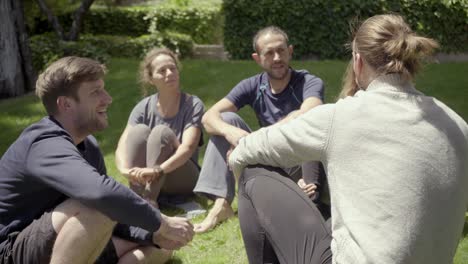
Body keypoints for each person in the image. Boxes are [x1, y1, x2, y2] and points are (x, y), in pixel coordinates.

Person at [229, 14, 468, 264]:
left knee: (251, 172)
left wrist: (237, 168)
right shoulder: (457, 124)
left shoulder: (341, 117)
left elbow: (248, 149)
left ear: (358, 61)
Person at [0, 56, 195, 264]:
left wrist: (154, 234)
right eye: (95, 92)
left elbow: (114, 214)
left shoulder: (88, 145)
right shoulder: (43, 143)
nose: (108, 99)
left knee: (161, 246)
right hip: (12, 250)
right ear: (66, 104)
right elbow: (102, 196)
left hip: (62, 240)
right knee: (98, 206)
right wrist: (162, 223)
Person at [193, 26, 327, 233]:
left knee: (308, 126)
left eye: (281, 50)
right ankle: (221, 205)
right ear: (257, 58)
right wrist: (230, 132)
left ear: (290, 51)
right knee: (226, 120)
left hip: (299, 159)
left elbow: (309, 111)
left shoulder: (308, 82)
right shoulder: (253, 85)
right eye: (269, 53)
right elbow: (209, 117)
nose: (276, 58)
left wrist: (252, 140)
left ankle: (307, 202)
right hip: (269, 158)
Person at [115, 48, 204, 209]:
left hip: (182, 177)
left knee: (161, 133)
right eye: (162, 71)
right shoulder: (143, 107)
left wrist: (157, 171)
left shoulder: (193, 104)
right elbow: (122, 145)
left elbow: (188, 148)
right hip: (148, 177)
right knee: (138, 131)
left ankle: (148, 202)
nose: (169, 73)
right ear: (151, 79)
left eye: (172, 68)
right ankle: (136, 198)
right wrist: (125, 170)